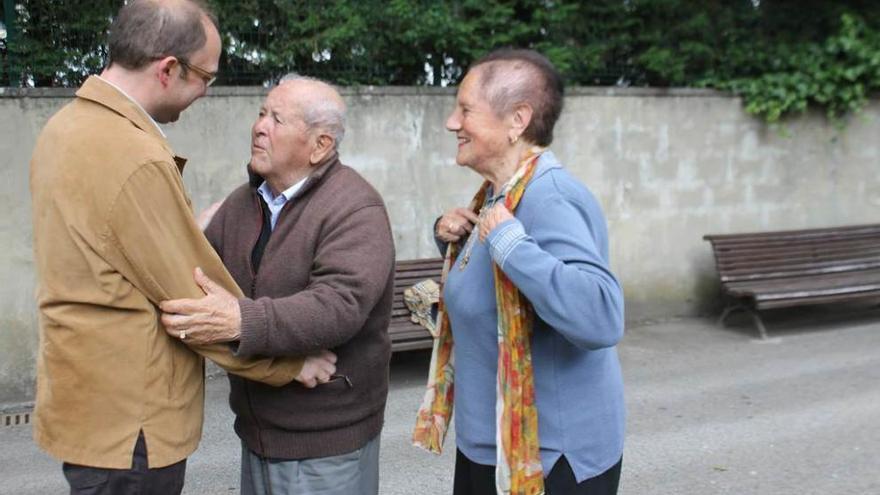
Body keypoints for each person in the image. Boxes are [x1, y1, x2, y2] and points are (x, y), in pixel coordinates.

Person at [28, 2, 326, 494]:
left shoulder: (65, 128)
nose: (205, 93)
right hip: (132, 427)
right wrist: (291, 364)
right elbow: (193, 302)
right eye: (205, 77)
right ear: (168, 69)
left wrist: (178, 223)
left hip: (86, 408)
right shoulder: (135, 157)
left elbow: (105, 246)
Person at [159, 75, 396, 495]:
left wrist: (240, 320)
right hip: (257, 433)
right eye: (261, 113)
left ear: (320, 146)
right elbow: (191, 281)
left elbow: (338, 307)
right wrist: (187, 240)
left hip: (325, 442)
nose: (259, 126)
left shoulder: (355, 207)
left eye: (277, 119)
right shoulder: (240, 205)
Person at [413, 49, 626, 495]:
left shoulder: (551, 196)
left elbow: (601, 315)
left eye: (465, 109)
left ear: (517, 120)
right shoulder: (498, 195)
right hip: (491, 447)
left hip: (546, 461)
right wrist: (453, 241)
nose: (453, 122)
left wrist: (510, 245)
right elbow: (498, 288)